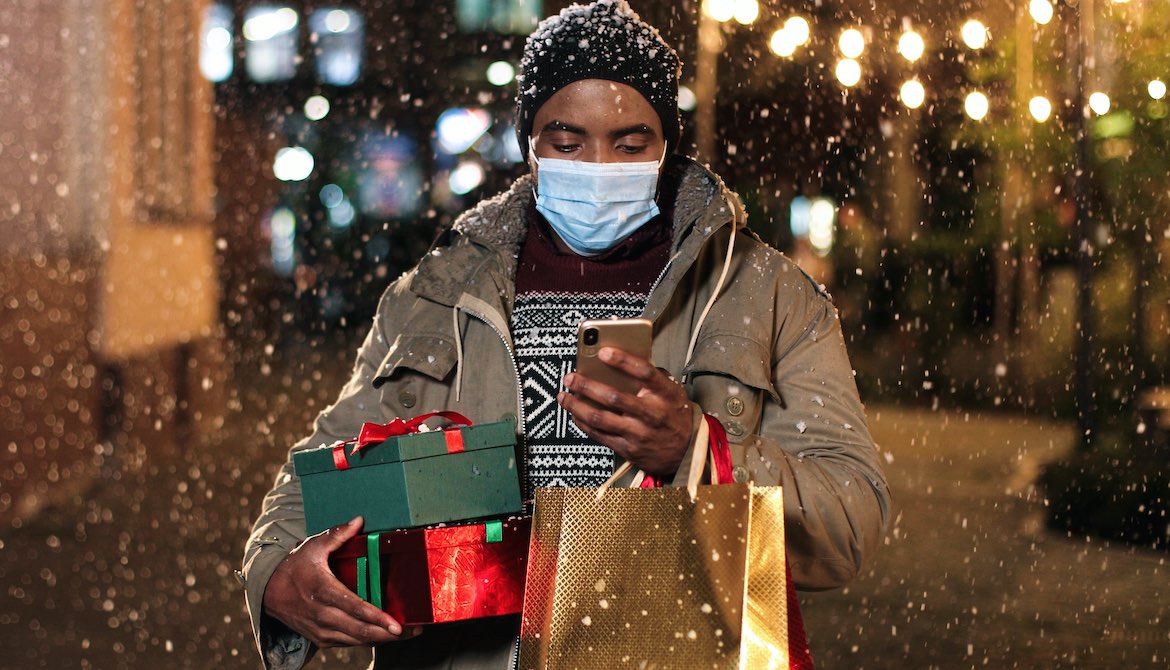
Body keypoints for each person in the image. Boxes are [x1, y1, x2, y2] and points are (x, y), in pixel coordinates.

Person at [242, 2, 891, 668]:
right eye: (567, 139)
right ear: (530, 143)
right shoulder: (437, 294)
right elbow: (317, 480)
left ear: (668, 145)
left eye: (631, 143)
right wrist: (276, 579)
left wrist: (697, 450)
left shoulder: (765, 296)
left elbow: (849, 525)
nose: (599, 164)